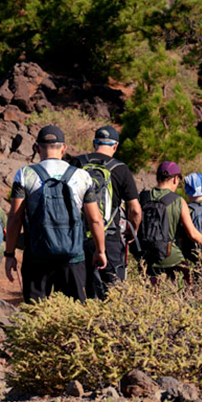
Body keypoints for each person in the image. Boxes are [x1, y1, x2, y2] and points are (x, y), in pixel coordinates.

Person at [4, 125, 106, 303]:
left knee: (35, 310)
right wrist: (100, 250)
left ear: (37, 148)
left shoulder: (25, 174)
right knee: (74, 312)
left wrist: (9, 254)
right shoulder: (82, 176)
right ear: (64, 148)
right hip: (72, 255)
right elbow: (95, 220)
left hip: (37, 256)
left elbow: (15, 218)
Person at [71, 125, 142, 299]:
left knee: (80, 290)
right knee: (113, 292)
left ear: (95, 143)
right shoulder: (121, 169)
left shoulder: (77, 163)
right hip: (110, 238)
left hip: (78, 238)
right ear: (115, 146)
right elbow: (135, 209)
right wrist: (133, 229)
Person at [136, 161, 202, 283]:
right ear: (175, 179)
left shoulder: (142, 198)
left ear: (157, 177)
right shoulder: (178, 201)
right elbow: (192, 233)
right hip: (172, 257)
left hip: (147, 258)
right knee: (187, 289)